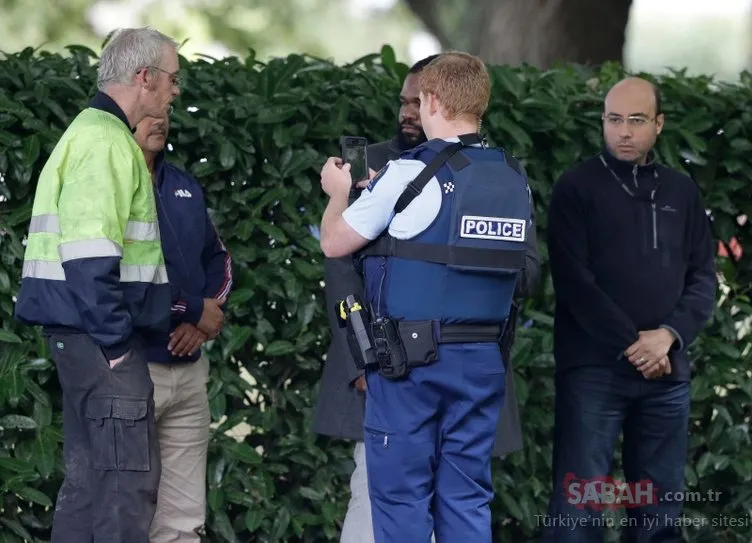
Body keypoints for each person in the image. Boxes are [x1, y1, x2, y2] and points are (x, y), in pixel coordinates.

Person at [311, 54, 540, 542]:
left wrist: (339, 193)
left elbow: (335, 243)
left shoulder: (409, 173)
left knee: (400, 502)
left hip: (410, 366)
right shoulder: (513, 177)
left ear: (432, 100)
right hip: (481, 363)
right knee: (465, 499)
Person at [13, 27, 180, 542]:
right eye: (172, 80)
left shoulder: (88, 133)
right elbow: (89, 258)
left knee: (89, 489)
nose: (175, 92)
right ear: (145, 77)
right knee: (124, 492)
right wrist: (116, 347)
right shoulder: (107, 142)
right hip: (103, 344)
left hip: (82, 340)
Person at [541, 77, 717, 542]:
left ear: (657, 125)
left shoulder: (683, 192)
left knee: (660, 514)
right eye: (614, 119)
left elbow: (703, 279)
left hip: (667, 376)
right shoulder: (575, 188)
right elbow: (576, 284)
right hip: (594, 372)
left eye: (636, 120)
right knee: (579, 511)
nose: (623, 131)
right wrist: (634, 345)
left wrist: (667, 337)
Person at [133, 112, 232, 542]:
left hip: (188, 370)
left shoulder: (185, 185)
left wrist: (203, 319)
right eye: (151, 113)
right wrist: (191, 309)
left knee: (183, 518)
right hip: (133, 365)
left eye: (167, 114)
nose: (161, 121)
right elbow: (124, 275)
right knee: (122, 505)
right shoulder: (112, 181)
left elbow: (219, 259)